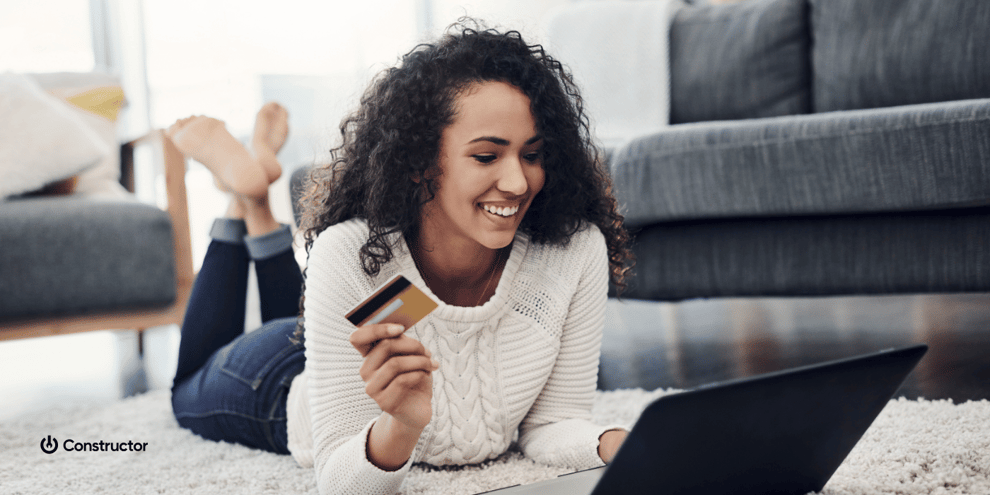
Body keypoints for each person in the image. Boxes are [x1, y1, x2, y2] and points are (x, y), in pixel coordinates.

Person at [169, 22, 635, 495]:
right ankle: (245, 202)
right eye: (486, 157)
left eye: (532, 155)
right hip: (278, 383)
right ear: (418, 162)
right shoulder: (353, 252)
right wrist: (401, 426)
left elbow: (553, 422)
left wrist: (618, 444)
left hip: (325, 334)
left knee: (300, 318)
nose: (518, 183)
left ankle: (250, 197)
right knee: (186, 389)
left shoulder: (573, 251)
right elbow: (339, 483)